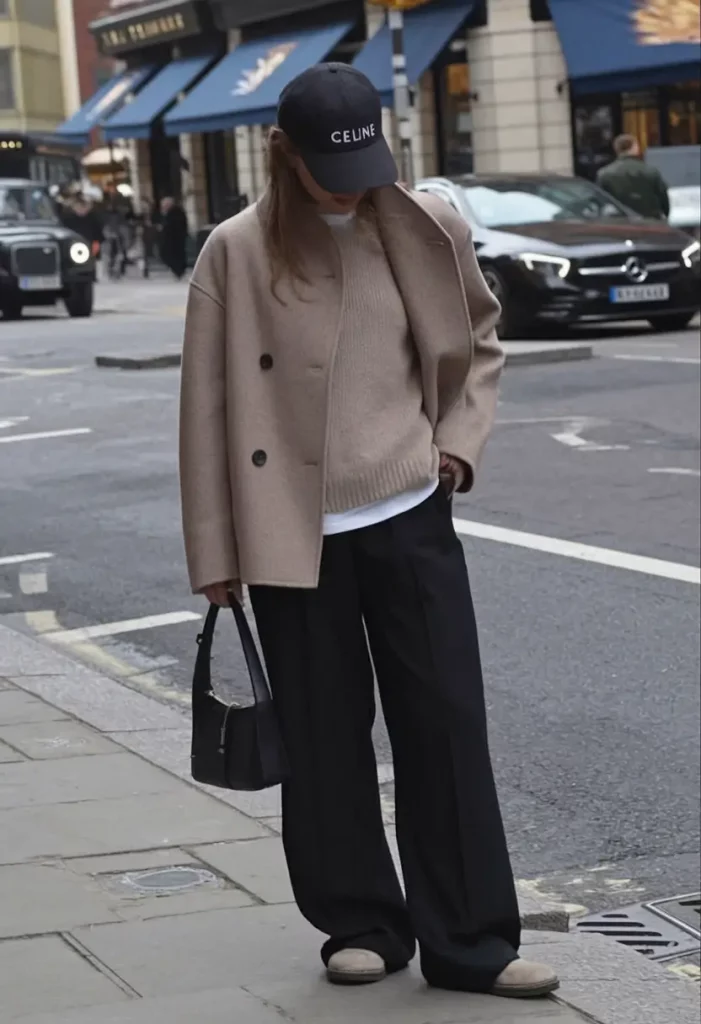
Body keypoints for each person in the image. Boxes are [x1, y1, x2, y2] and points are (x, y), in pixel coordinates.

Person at [179, 64, 558, 1000]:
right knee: (323, 735)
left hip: (408, 514)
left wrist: (457, 448)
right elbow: (206, 413)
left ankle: (471, 941)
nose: (348, 183)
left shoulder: (426, 226)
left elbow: (478, 340)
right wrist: (216, 557)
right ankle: (359, 921)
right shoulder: (234, 251)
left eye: (363, 161)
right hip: (289, 533)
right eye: (327, 169)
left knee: (447, 726)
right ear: (285, 155)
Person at [597, 134, 670, 220]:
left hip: (620, 222)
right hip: (650, 220)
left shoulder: (604, 174)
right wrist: (665, 214)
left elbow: (600, 201)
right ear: (635, 148)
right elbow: (663, 195)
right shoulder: (650, 171)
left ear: (616, 149)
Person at [159, 196, 188, 280]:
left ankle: (178, 271)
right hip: (172, 239)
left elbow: (174, 226)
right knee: (171, 255)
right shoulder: (170, 213)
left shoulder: (176, 213)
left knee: (175, 255)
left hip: (175, 239)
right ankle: (177, 271)